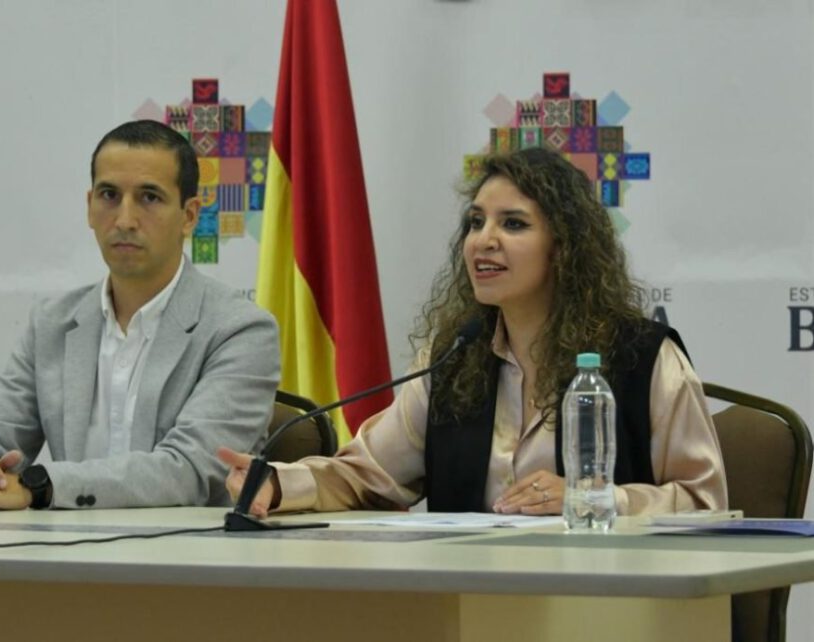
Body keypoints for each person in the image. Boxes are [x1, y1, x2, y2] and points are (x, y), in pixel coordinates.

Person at [220, 147, 727, 518]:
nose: (483, 240)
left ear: (564, 248)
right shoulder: (456, 358)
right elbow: (367, 475)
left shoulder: (642, 357)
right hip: (471, 602)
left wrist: (599, 499)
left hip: (607, 601)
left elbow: (706, 502)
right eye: (476, 222)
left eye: (513, 224)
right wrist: (277, 485)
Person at [0, 120, 280, 511]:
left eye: (149, 198)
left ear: (190, 215)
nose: (124, 220)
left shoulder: (240, 330)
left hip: (192, 548)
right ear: (90, 207)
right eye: (109, 195)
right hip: (64, 547)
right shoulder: (53, 323)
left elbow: (190, 470)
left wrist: (39, 487)